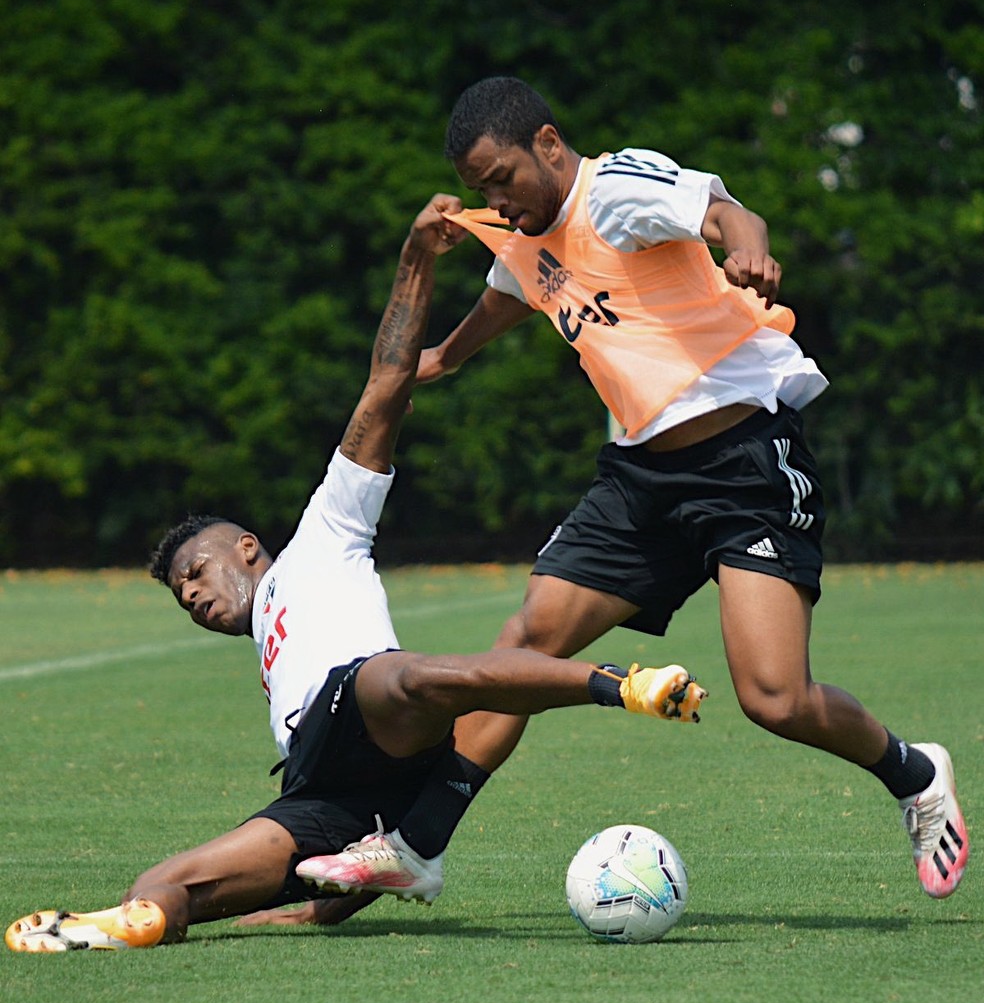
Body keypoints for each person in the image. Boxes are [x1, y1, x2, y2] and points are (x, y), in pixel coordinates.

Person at [306, 75, 968, 906]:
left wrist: (748, 250)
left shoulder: (615, 190)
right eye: (483, 192)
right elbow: (517, 290)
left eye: (504, 178)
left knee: (774, 697)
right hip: (640, 479)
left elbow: (727, 213)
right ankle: (417, 844)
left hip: (743, 465)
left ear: (548, 144)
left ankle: (914, 771)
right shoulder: (520, 229)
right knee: (530, 638)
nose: (499, 203)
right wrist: (438, 361)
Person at [5, 194, 707, 953]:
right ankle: (115, 926)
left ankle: (623, 683)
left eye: (195, 571)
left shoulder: (323, 535)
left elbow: (386, 383)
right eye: (183, 596)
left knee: (396, 678)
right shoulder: (270, 654)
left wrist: (415, 260)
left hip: (381, 718)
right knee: (168, 881)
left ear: (246, 545)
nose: (193, 594)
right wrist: (326, 904)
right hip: (325, 793)